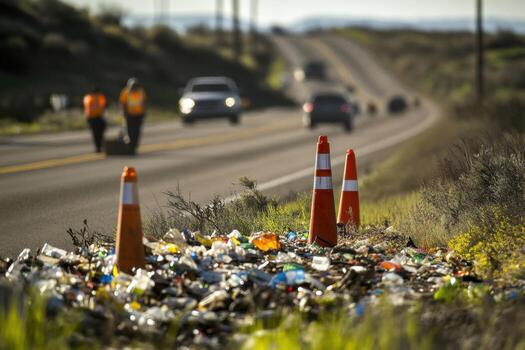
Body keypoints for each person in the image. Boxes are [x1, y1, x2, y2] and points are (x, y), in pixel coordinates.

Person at [119, 78, 147, 154]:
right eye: (132, 86)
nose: (134, 87)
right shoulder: (125, 93)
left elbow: (144, 103)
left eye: (135, 86)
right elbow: (123, 104)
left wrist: (144, 113)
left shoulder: (141, 92)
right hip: (129, 115)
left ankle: (134, 147)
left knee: (136, 132)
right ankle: (130, 147)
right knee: (129, 132)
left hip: (138, 115)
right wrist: (124, 113)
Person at [83, 87, 107, 153]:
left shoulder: (88, 97)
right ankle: (98, 147)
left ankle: (99, 146)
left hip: (97, 117)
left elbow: (103, 106)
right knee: (96, 134)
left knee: (98, 133)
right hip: (93, 117)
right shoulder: (91, 98)